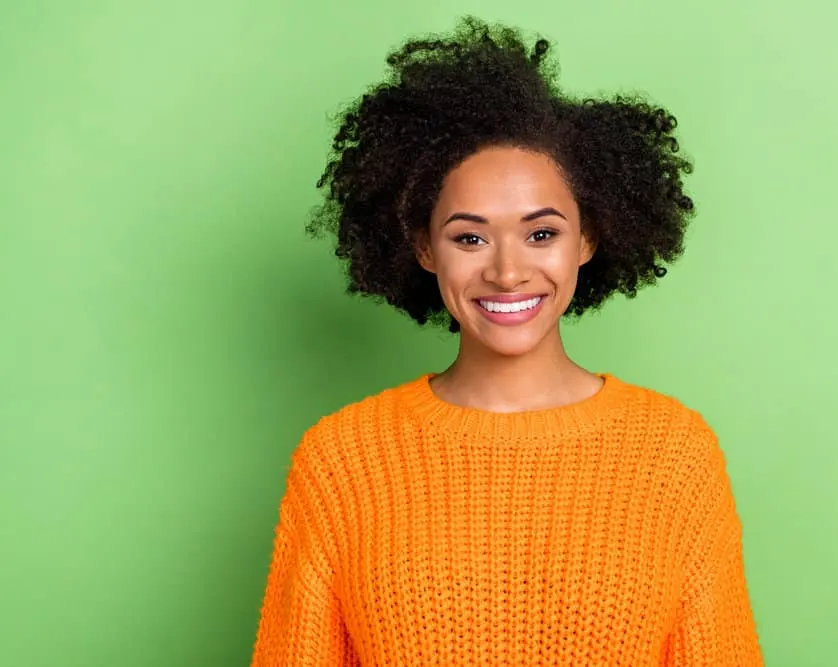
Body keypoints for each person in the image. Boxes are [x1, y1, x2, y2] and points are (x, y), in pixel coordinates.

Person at [250, 16, 764, 667]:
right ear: (423, 247)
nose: (507, 270)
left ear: (588, 239)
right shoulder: (343, 460)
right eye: (469, 236)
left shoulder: (674, 456)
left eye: (541, 233)